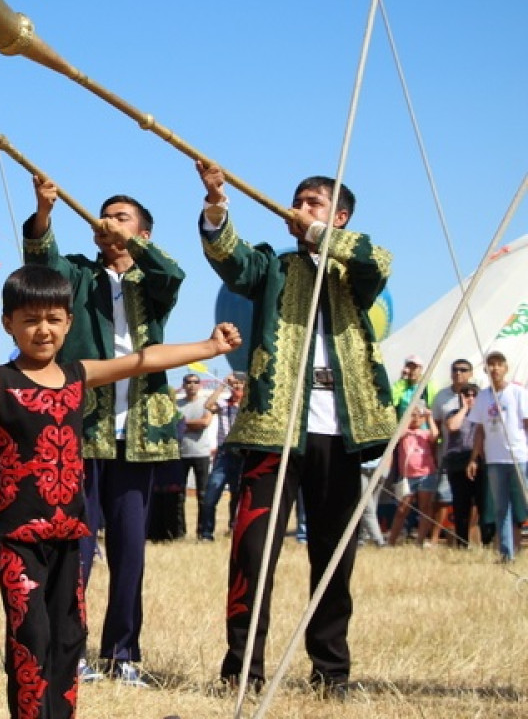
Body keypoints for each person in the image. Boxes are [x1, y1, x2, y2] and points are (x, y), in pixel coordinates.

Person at [0, 265, 241, 718]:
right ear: (8, 324)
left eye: (54, 319)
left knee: (70, 633)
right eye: (30, 320)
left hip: (70, 532)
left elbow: (142, 360)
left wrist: (209, 347)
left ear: (69, 323)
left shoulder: (78, 374)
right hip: (18, 534)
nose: (43, 330)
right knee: (30, 635)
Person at [196, 162, 396, 692]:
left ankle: (331, 672)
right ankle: (243, 670)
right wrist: (217, 203)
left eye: (314, 203)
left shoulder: (356, 269)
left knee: (334, 556)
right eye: (298, 201)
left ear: (341, 216)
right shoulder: (273, 265)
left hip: (341, 430)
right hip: (273, 428)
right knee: (254, 551)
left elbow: (377, 259)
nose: (300, 209)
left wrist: (319, 235)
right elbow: (228, 257)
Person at [23, 176, 184, 683]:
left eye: (122, 217)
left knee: (130, 549)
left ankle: (124, 652)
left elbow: (171, 273)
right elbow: (41, 264)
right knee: (77, 545)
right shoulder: (78, 274)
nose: (108, 223)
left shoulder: (152, 284)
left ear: (143, 233)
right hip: (82, 427)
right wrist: (44, 213)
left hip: (138, 432)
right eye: (104, 216)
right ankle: (73, 649)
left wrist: (134, 247)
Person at [466, 350, 528, 563]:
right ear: (486, 369)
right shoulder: (483, 397)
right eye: (491, 364)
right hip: (494, 459)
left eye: (499, 364)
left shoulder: (518, 393)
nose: (495, 368)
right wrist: (474, 458)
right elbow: (480, 430)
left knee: (524, 503)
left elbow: (526, 423)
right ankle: (506, 554)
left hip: (518, 457)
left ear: (506, 368)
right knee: (502, 508)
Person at [198, 373, 246, 541]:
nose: (238, 386)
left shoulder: (247, 406)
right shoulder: (224, 404)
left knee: (237, 495)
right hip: (224, 453)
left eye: (241, 384)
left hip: (242, 453)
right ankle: (206, 533)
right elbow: (208, 404)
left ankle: (234, 529)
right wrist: (223, 385)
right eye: (236, 383)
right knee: (211, 493)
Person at [386, 402, 439, 547]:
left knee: (424, 508)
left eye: (419, 416)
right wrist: (409, 417)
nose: (416, 419)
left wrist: (429, 418)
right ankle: (392, 540)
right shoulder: (405, 433)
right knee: (402, 508)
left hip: (426, 474)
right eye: (414, 416)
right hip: (407, 476)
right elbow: (397, 435)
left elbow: (435, 436)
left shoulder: (425, 433)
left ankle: (420, 541)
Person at [442, 383, 486, 548]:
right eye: (466, 395)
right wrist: (464, 408)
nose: (470, 398)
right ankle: (461, 543)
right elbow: (453, 426)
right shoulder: (454, 414)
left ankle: (485, 542)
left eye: (474, 395)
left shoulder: (484, 416)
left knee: (483, 504)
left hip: (480, 463)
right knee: (461, 506)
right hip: (458, 464)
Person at [176, 374, 215, 538]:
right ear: (183, 385)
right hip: (181, 454)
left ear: (200, 385)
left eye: (195, 382)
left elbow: (205, 423)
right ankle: (179, 532)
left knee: (203, 495)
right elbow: (175, 424)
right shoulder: (176, 404)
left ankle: (203, 532)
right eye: (188, 382)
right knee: (179, 495)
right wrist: (193, 424)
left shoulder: (206, 403)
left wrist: (185, 424)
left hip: (201, 454)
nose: (192, 385)